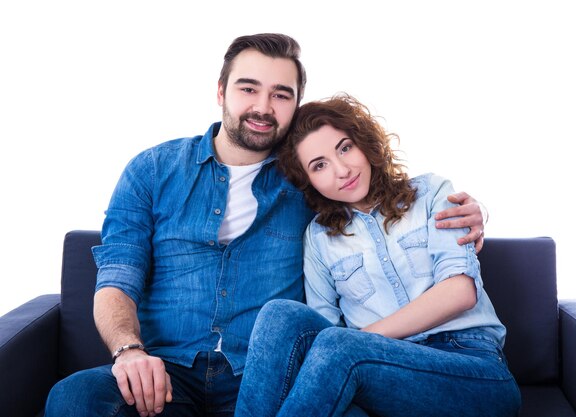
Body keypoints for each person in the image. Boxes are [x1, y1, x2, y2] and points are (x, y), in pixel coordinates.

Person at [44, 34, 487, 417]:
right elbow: (116, 277)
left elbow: (379, 199)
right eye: (248, 88)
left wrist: (470, 214)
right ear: (220, 91)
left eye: (281, 94)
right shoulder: (153, 170)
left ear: (295, 104)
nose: (263, 106)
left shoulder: (309, 181)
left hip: (259, 374)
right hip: (164, 371)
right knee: (75, 396)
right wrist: (129, 351)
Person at [234, 94, 521, 417]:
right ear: (309, 181)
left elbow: (460, 291)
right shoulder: (319, 238)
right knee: (280, 315)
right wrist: (347, 350)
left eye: (345, 148)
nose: (342, 170)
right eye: (320, 165)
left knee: (337, 347)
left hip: (470, 367)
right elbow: (320, 333)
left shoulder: (431, 194)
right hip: (378, 382)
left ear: (364, 142)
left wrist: (357, 343)